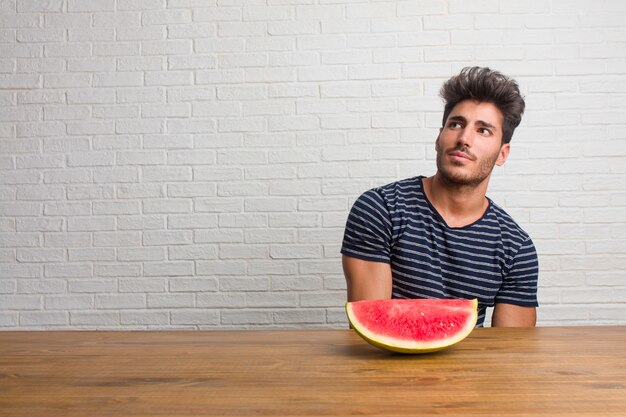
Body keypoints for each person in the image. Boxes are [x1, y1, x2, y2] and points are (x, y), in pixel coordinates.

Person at [341, 66, 538, 327]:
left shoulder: (516, 248)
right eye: (456, 124)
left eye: (484, 130)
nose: (464, 138)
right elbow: (371, 328)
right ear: (439, 137)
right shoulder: (380, 210)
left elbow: (510, 352)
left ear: (503, 154)